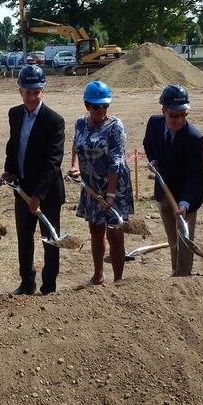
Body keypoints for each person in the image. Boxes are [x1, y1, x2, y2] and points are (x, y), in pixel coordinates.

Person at [1, 65, 65, 296]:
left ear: (42, 91)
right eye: (27, 91)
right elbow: (13, 145)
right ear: (20, 91)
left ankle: (49, 286)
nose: (32, 96)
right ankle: (27, 283)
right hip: (22, 188)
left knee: (50, 239)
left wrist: (38, 195)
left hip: (47, 193)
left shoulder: (54, 120)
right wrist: (10, 170)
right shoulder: (15, 114)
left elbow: (53, 161)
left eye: (36, 91)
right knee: (24, 239)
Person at [69, 80, 134, 285]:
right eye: (96, 106)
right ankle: (98, 275)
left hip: (115, 186)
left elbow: (116, 161)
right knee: (96, 229)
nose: (101, 110)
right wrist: (74, 166)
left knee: (115, 232)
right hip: (91, 186)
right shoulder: (80, 123)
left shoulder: (116, 126)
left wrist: (111, 195)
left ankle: (118, 279)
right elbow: (76, 146)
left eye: (105, 105)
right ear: (87, 105)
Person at [143, 84, 203, 276]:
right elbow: (148, 143)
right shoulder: (154, 123)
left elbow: (195, 176)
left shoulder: (194, 137)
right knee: (173, 239)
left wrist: (185, 204)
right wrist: (152, 159)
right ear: (164, 110)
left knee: (184, 238)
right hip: (165, 190)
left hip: (188, 194)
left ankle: (183, 276)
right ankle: (175, 271)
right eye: (173, 115)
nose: (179, 119)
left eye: (183, 114)